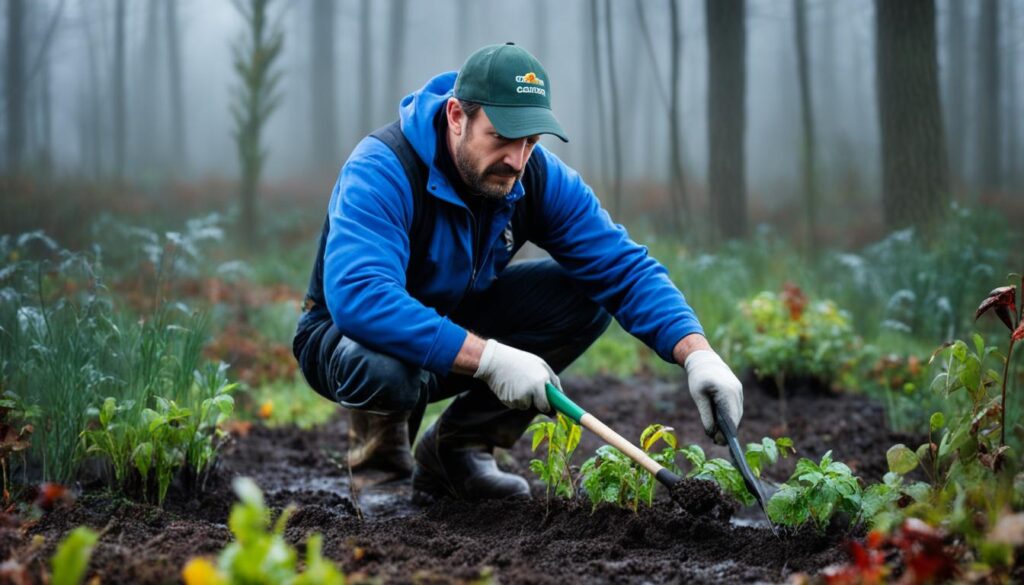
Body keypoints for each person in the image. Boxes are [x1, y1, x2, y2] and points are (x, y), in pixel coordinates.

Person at [292, 42, 743, 501]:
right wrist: (489, 359)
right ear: (455, 117)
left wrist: (697, 353)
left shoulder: (535, 177)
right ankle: (382, 479)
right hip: (345, 342)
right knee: (385, 360)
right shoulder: (383, 168)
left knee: (584, 295)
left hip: (453, 319)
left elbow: (623, 268)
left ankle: (456, 452)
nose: (517, 159)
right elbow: (360, 297)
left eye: (530, 141)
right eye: (502, 136)